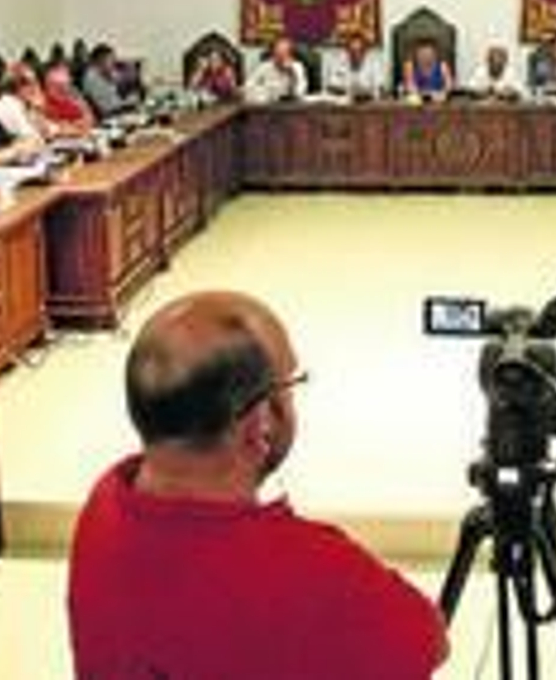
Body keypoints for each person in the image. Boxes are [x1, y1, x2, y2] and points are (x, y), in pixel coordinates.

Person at [67, 290, 447, 678]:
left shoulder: (104, 506)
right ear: (261, 426)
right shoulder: (316, 573)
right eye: (290, 384)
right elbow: (428, 642)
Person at [245, 37, 310, 104]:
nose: (280, 58)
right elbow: (248, 86)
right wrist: (263, 93)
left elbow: (300, 90)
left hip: (290, 106)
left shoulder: (297, 67)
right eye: (277, 54)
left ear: (290, 55)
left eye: (284, 54)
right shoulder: (265, 67)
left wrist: (291, 74)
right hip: (269, 105)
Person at [81, 44, 138, 120]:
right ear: (100, 60)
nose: (113, 64)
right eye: (110, 60)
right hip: (110, 116)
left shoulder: (105, 73)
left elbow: (122, 80)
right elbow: (107, 107)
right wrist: (127, 103)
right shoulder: (92, 78)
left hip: (117, 111)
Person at [325, 34, 386, 100]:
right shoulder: (339, 59)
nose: (356, 53)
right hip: (343, 99)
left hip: (367, 99)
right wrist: (343, 89)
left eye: (360, 50)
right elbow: (333, 83)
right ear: (347, 49)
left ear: (365, 48)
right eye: (353, 50)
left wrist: (370, 91)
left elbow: (379, 83)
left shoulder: (374, 60)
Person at [41, 60, 96, 133]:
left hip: (83, 136)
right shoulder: (44, 100)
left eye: (66, 74)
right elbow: (56, 128)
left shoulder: (73, 93)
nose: (63, 86)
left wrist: (79, 124)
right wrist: (77, 126)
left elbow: (91, 118)